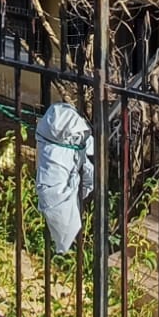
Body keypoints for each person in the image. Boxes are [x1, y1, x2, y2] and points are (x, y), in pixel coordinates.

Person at [34, 101, 94, 255]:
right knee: (55, 198)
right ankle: (68, 241)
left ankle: (69, 241)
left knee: (56, 198)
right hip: (57, 141)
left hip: (60, 141)